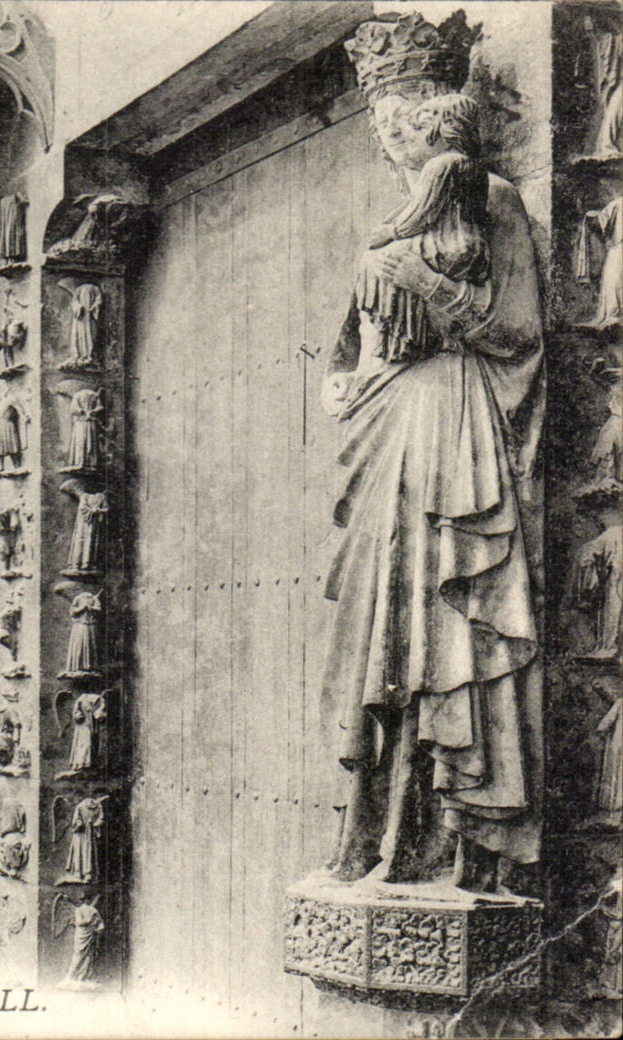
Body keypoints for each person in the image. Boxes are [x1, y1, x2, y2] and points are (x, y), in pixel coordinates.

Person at [323, 12, 544, 889]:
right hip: (388, 436)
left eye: (405, 115)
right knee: (385, 636)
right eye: (385, 121)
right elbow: (347, 349)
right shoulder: (389, 221)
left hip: (457, 431)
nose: (394, 135)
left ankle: (460, 835)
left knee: (447, 628)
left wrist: (432, 293)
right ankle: (377, 829)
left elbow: (521, 328)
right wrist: (346, 386)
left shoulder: (494, 205)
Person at [346, 93, 488, 393]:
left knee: (389, 257)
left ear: (441, 131)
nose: (397, 131)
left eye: (413, 123)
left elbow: (423, 212)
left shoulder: (446, 168)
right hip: (465, 245)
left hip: (446, 378)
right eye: (384, 122)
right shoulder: (468, 167)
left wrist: (396, 240)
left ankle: (403, 339)